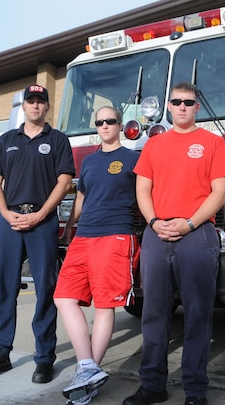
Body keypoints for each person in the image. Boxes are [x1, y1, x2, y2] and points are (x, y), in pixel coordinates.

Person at [124, 82, 225, 405]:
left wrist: (189, 223)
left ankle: (195, 391)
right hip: (157, 233)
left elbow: (220, 191)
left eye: (189, 102)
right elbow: (143, 189)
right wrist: (155, 222)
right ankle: (152, 386)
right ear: (169, 107)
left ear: (197, 107)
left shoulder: (213, 144)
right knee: (154, 313)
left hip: (197, 234)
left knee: (198, 313)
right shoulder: (154, 145)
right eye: (177, 102)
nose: (183, 106)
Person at [0, 84, 75, 385]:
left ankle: (44, 358)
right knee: (5, 287)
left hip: (42, 221)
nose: (35, 106)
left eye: (40, 102)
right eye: (30, 102)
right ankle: (1, 352)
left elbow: (64, 181)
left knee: (46, 289)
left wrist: (42, 214)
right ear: (24, 107)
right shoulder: (7, 140)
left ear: (47, 107)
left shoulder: (57, 140)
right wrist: (6, 214)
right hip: (10, 220)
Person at [54, 106, 140, 405]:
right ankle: (88, 367)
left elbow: (147, 194)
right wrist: (68, 230)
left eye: (110, 121)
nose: (104, 126)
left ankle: (86, 376)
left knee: (105, 305)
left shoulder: (133, 158)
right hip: (83, 236)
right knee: (63, 297)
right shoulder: (89, 162)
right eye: (100, 122)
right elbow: (81, 196)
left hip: (115, 235)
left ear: (121, 125)